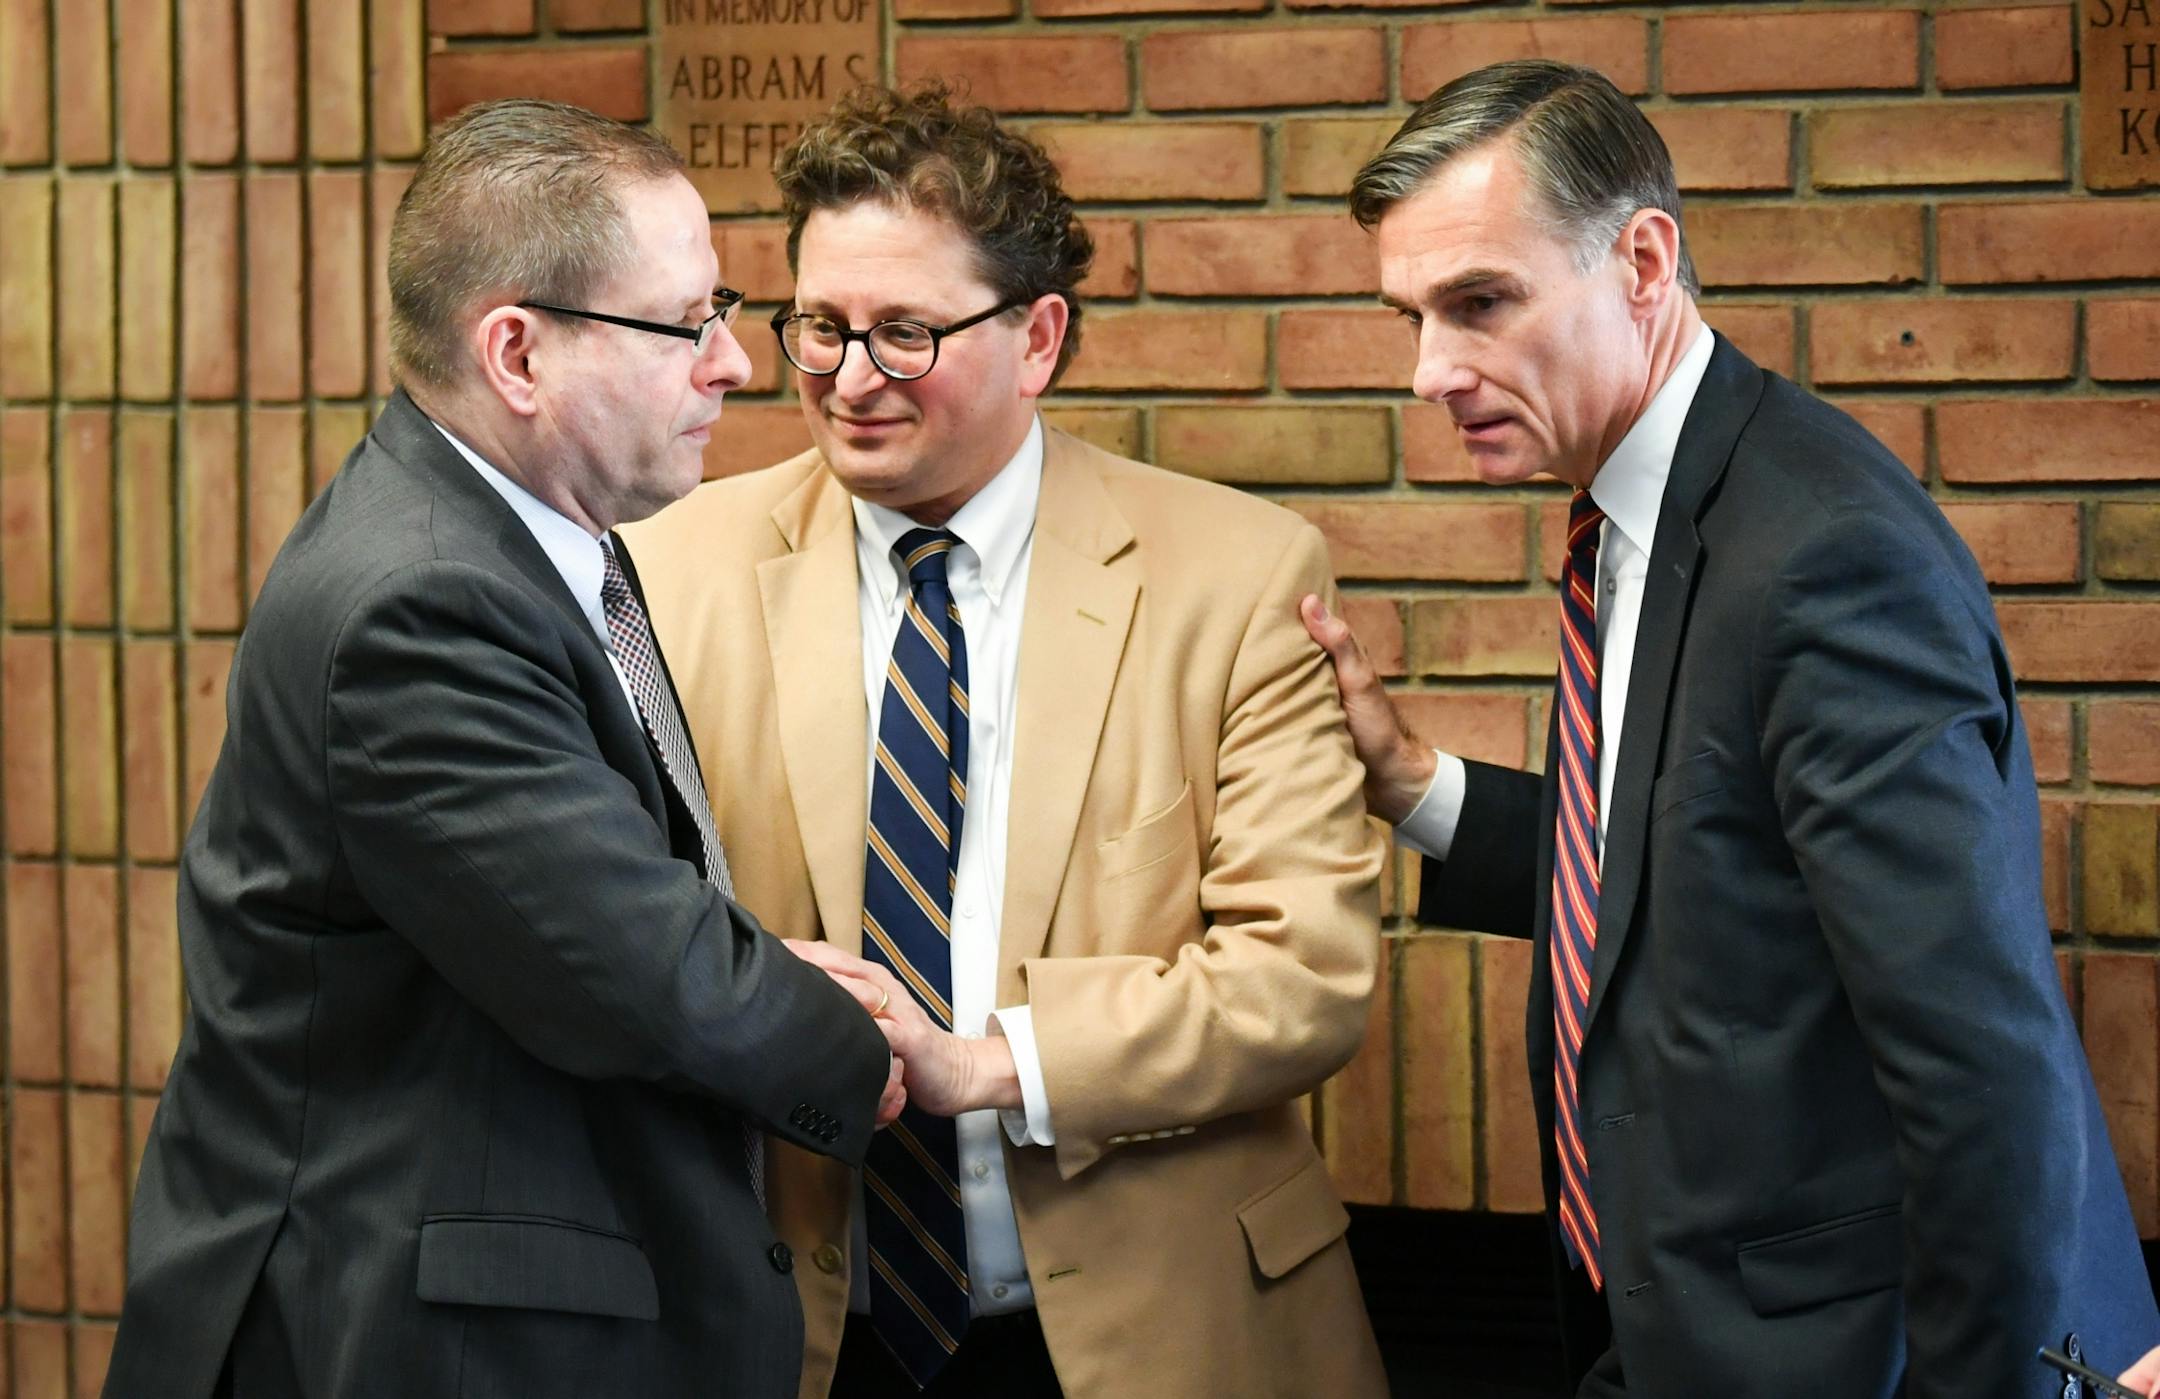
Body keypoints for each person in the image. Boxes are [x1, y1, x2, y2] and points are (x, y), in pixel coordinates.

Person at [1297, 59, 2159, 1398]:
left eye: (1480, 304)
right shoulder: (1644, 506)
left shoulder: (1826, 556)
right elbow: (1690, 874)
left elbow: (1985, 1067)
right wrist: (1413, 782)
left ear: (1643, 262)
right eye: (1411, 318)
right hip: (1673, 1327)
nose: (1430, 373)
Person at [102, 100, 898, 1399]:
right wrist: (872, 1049)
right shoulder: (423, 603)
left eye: (726, 307)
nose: (734, 364)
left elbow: (586, 919)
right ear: (518, 354)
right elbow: (644, 973)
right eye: (683, 322)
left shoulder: (522, 542)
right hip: (407, 1344)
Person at [623, 84, 1388, 1399]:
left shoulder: (1240, 576)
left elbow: (1302, 978)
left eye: (905, 333)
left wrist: (988, 1066)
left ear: (1037, 338)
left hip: (1167, 1339)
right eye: (822, 327)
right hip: (793, 1337)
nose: (850, 380)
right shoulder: (659, 570)